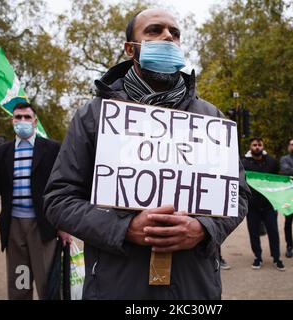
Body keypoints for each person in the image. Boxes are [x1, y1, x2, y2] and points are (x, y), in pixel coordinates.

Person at [43, 8, 250, 300]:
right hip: (116, 286)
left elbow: (238, 195)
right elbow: (58, 200)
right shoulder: (94, 116)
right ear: (131, 49)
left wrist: (203, 228)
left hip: (195, 288)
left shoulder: (211, 118)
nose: (168, 36)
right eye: (154, 30)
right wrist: (123, 228)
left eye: (175, 33)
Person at [0, 102, 72, 300]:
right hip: (14, 229)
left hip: (43, 227)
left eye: (27, 117)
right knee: (21, 283)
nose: (22, 121)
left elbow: (63, 187)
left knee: (47, 286)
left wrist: (64, 225)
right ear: (12, 121)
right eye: (18, 117)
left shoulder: (52, 149)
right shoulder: (2, 152)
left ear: (35, 121)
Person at [241, 137, 285, 271]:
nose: (257, 147)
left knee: (273, 231)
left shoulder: (272, 161)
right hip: (252, 205)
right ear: (250, 147)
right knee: (253, 232)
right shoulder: (243, 162)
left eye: (259, 145)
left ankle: (277, 258)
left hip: (269, 204)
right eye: (254, 145)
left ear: (263, 146)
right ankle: (257, 257)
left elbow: (279, 178)